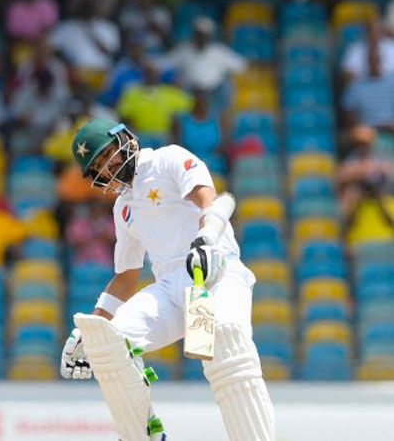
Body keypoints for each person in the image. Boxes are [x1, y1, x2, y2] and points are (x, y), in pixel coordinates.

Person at [60, 118, 275, 440]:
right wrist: (91, 328)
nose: (108, 166)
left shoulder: (167, 159)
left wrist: (207, 239)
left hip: (216, 270)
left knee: (227, 342)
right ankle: (144, 436)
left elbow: (206, 197)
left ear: (125, 141)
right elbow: (125, 276)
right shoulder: (123, 207)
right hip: (170, 287)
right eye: (99, 165)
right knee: (110, 344)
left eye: (108, 154)